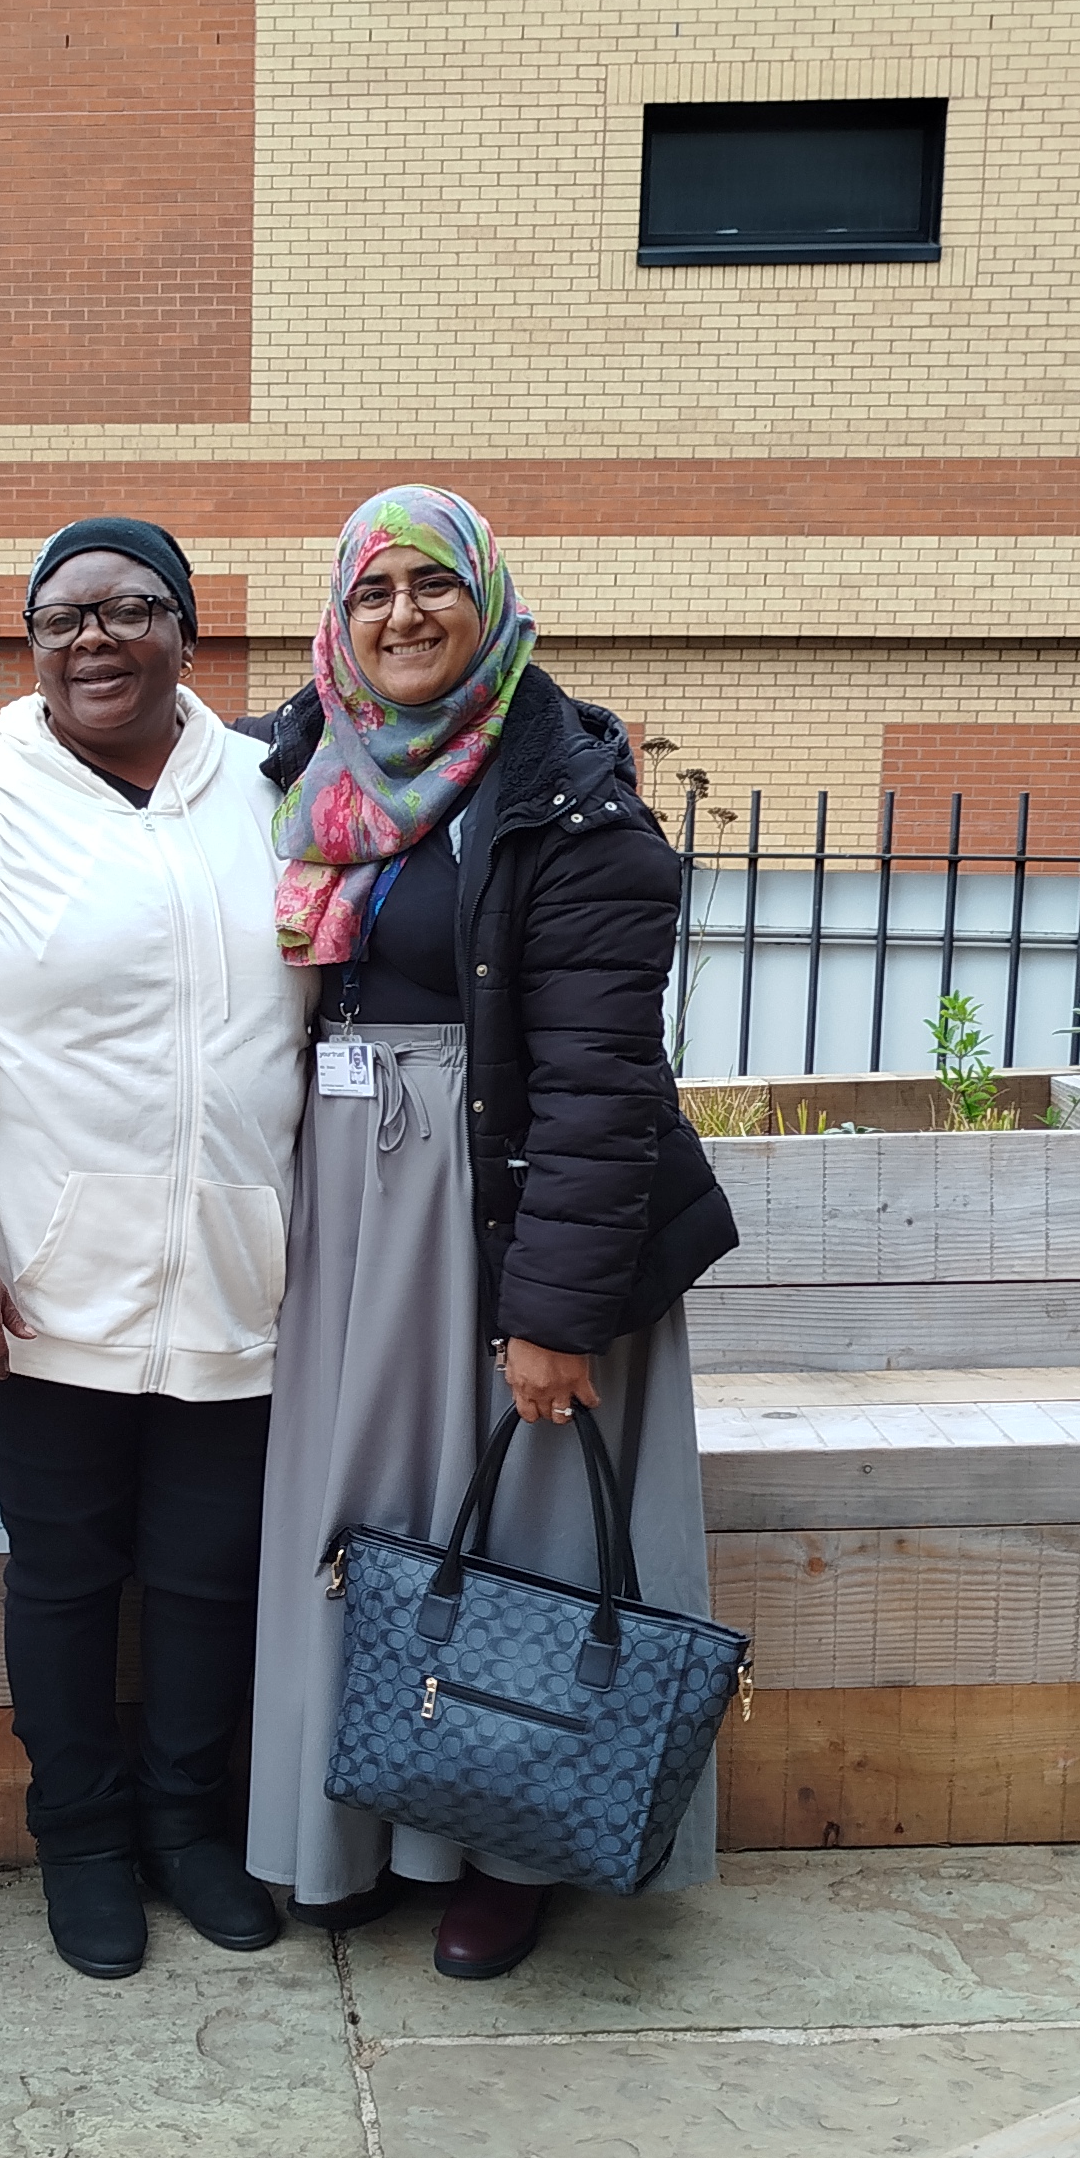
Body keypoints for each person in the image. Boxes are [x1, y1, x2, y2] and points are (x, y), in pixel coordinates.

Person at [242, 485, 736, 1979]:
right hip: (355, 1213)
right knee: (366, 1516)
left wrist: (555, 1314)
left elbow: (600, 1080)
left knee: (522, 1525)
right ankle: (363, 1829)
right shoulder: (299, 762)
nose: (402, 614)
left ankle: (513, 1849)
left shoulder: (566, 791)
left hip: (506, 1201)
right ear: (339, 615)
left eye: (434, 585)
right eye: (373, 589)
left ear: (490, 601)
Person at [0, 517, 309, 1981]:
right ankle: (85, 1842)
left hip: (239, 1276)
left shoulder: (271, 791)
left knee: (210, 1577)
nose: (94, 637)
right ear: (32, 644)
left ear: (188, 632)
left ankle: (187, 1826)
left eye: (130, 608)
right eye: (61, 617)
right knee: (64, 1575)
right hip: (36, 1289)